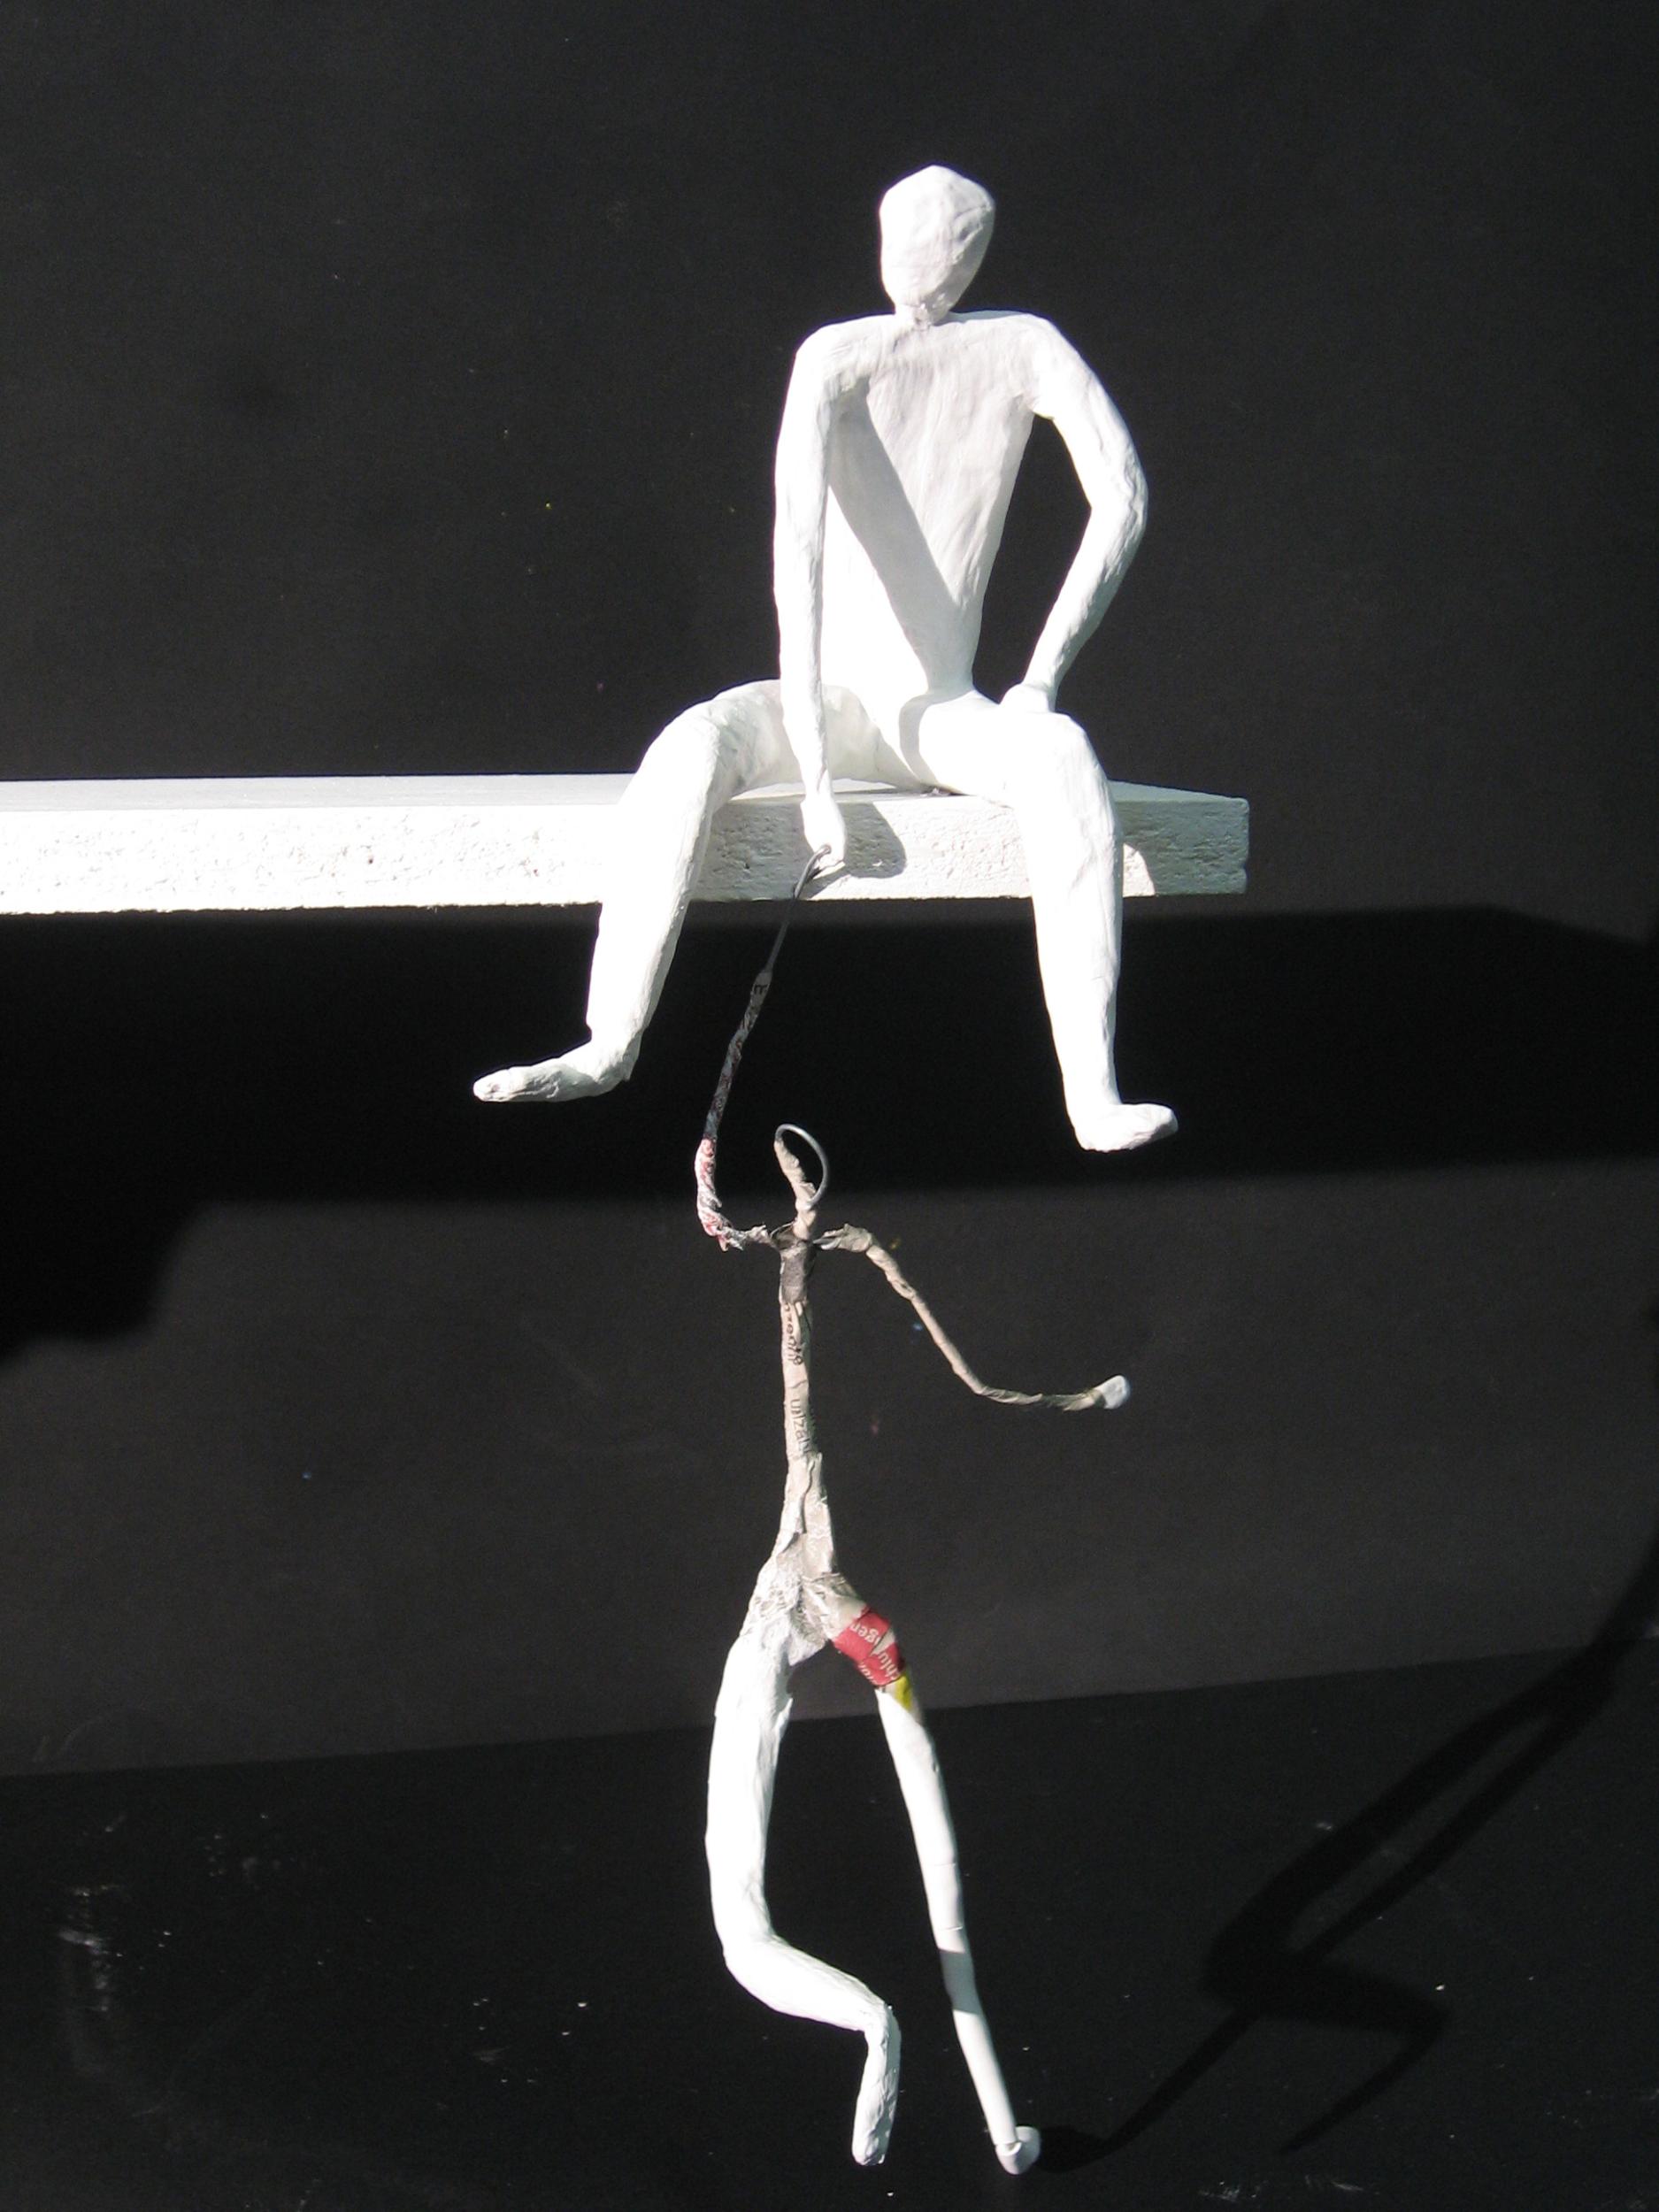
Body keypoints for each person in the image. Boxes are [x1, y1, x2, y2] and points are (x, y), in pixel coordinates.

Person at [476, 165, 1174, 1152]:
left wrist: (1040, 678)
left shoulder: (1025, 348)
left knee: (1061, 754)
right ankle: (610, 1039)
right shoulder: (837, 357)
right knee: (692, 745)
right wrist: (810, 772)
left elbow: (1125, 499)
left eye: (948, 242)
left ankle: (1091, 1093)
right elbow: (796, 557)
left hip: (942, 712)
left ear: (974, 252)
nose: (924, 263)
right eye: (910, 238)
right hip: (835, 702)